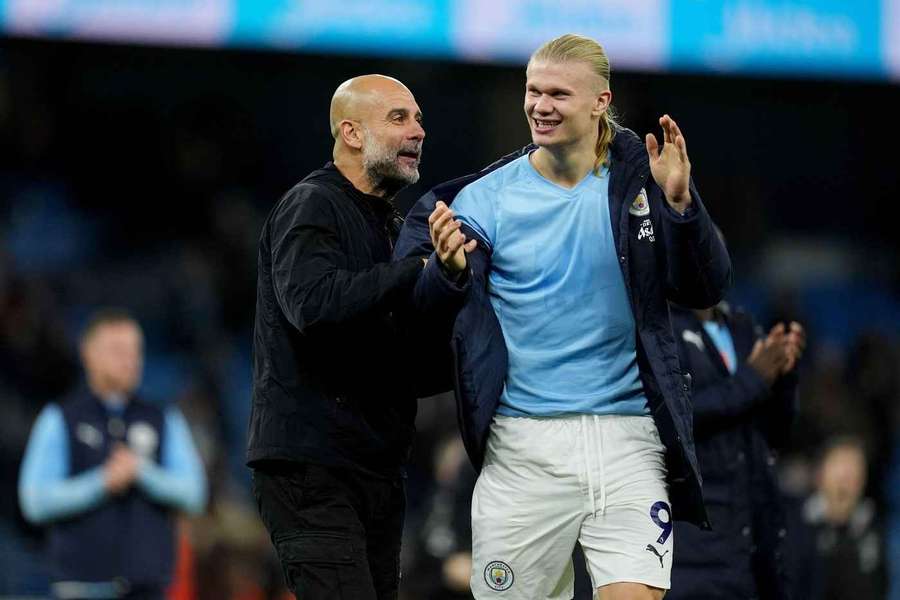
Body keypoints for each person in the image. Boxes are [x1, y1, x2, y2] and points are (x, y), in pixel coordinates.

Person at [395, 33, 731, 600]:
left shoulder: (643, 185)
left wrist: (681, 207)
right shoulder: (481, 201)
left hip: (628, 438)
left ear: (601, 101)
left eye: (558, 93)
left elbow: (705, 286)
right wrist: (446, 272)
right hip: (524, 447)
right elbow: (417, 319)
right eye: (532, 91)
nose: (540, 105)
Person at [246, 74, 428, 600]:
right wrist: (417, 268)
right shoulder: (312, 204)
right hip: (313, 469)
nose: (417, 130)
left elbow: (408, 360)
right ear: (351, 132)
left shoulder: (391, 227)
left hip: (376, 469)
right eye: (399, 118)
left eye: (418, 119)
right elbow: (313, 304)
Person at [18, 308, 207, 600]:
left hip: (150, 586)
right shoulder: (60, 418)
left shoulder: (163, 417)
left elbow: (194, 493)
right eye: (118, 350)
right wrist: (101, 482)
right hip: (82, 586)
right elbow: (35, 500)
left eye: (136, 351)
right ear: (89, 354)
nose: (130, 360)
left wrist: (142, 473)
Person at [666, 301, 805, 600]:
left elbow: (774, 433)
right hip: (691, 552)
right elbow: (672, 416)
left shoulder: (742, 326)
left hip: (748, 547)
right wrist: (753, 379)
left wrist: (784, 374)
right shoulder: (658, 327)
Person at [802, 436, 887, 600]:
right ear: (819, 475)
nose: (846, 478)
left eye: (855, 470)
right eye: (839, 467)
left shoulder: (872, 529)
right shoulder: (796, 523)